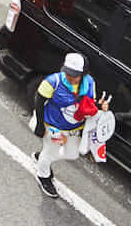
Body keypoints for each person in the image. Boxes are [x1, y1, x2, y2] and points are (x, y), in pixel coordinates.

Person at [32, 52, 111, 198]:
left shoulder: (90, 83)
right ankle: (43, 176)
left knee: (72, 154)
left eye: (74, 74)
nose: (70, 77)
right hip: (53, 127)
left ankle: (42, 156)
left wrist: (100, 107)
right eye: (67, 73)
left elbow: (90, 104)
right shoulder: (52, 81)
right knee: (50, 152)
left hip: (74, 129)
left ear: (83, 73)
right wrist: (40, 125)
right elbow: (39, 101)